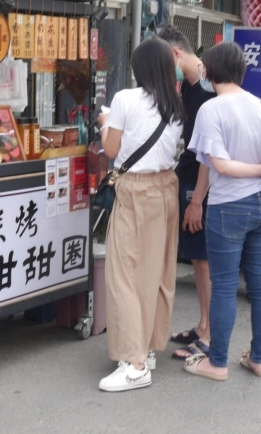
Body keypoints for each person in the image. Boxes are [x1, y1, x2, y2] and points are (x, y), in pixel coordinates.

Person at [184, 41, 261, 381]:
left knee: (223, 286)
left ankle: (217, 363)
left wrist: (254, 170)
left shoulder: (212, 108)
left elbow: (218, 164)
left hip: (229, 208)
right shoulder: (260, 106)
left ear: (208, 71)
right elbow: (209, 164)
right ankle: (259, 359)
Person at [96, 37, 184, 392]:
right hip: (167, 188)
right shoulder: (176, 105)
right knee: (154, 273)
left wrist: (105, 121)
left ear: (137, 68)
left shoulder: (124, 99)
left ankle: (134, 364)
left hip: (135, 190)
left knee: (123, 275)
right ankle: (146, 348)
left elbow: (111, 148)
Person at [157, 25, 215, 361]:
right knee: (198, 259)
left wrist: (196, 202)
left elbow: (208, 153)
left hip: (202, 187)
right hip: (191, 181)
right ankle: (202, 325)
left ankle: (207, 334)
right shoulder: (192, 86)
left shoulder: (207, 89)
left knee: (204, 261)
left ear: (175, 54)